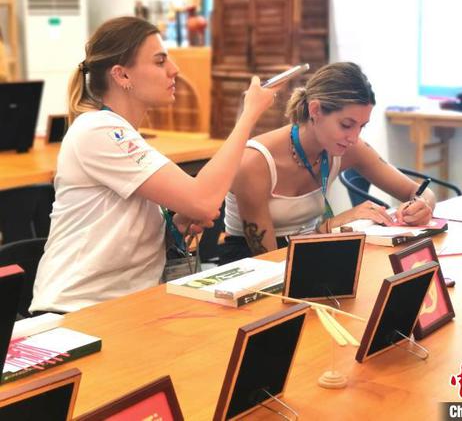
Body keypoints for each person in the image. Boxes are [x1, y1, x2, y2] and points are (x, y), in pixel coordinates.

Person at [30, 17, 276, 314]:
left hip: (126, 307)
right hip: (77, 310)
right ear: (122, 76)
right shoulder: (99, 129)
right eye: (160, 62)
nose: (174, 69)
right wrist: (247, 117)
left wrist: (176, 224)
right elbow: (204, 200)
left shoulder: (121, 133)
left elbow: (193, 205)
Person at [222, 62, 436, 262]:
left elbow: (421, 192)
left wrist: (422, 206)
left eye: (361, 126)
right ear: (315, 110)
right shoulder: (255, 162)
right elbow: (270, 263)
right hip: (251, 267)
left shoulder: (350, 148)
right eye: (346, 124)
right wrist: (329, 227)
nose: (353, 137)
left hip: (309, 254)